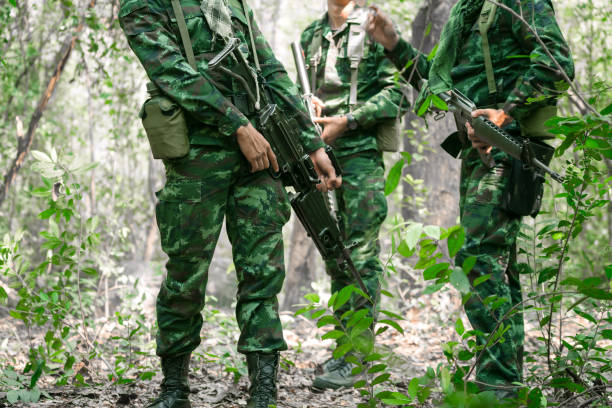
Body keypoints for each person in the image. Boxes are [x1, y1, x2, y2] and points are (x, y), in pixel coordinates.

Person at [118, 0, 341, 407]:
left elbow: (269, 69)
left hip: (259, 154)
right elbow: (171, 71)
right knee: (185, 275)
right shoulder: (143, 5)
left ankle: (264, 390)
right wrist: (236, 124)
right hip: (197, 155)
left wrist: (310, 143)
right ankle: (174, 389)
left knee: (262, 274)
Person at [366, 0, 574, 398]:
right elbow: (442, 85)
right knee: (497, 263)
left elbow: (556, 63)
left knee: (478, 254)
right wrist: (393, 44)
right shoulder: (468, 11)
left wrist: (504, 114)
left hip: (509, 147)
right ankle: (505, 382)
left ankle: (498, 386)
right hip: (483, 151)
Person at [299, 0, 407, 391]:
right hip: (320, 155)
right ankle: (345, 347)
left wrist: (347, 121)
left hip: (360, 156)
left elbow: (401, 94)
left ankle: (359, 356)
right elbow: (298, 93)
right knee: (334, 251)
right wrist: (306, 106)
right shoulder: (310, 36)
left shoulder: (374, 29)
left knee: (359, 252)